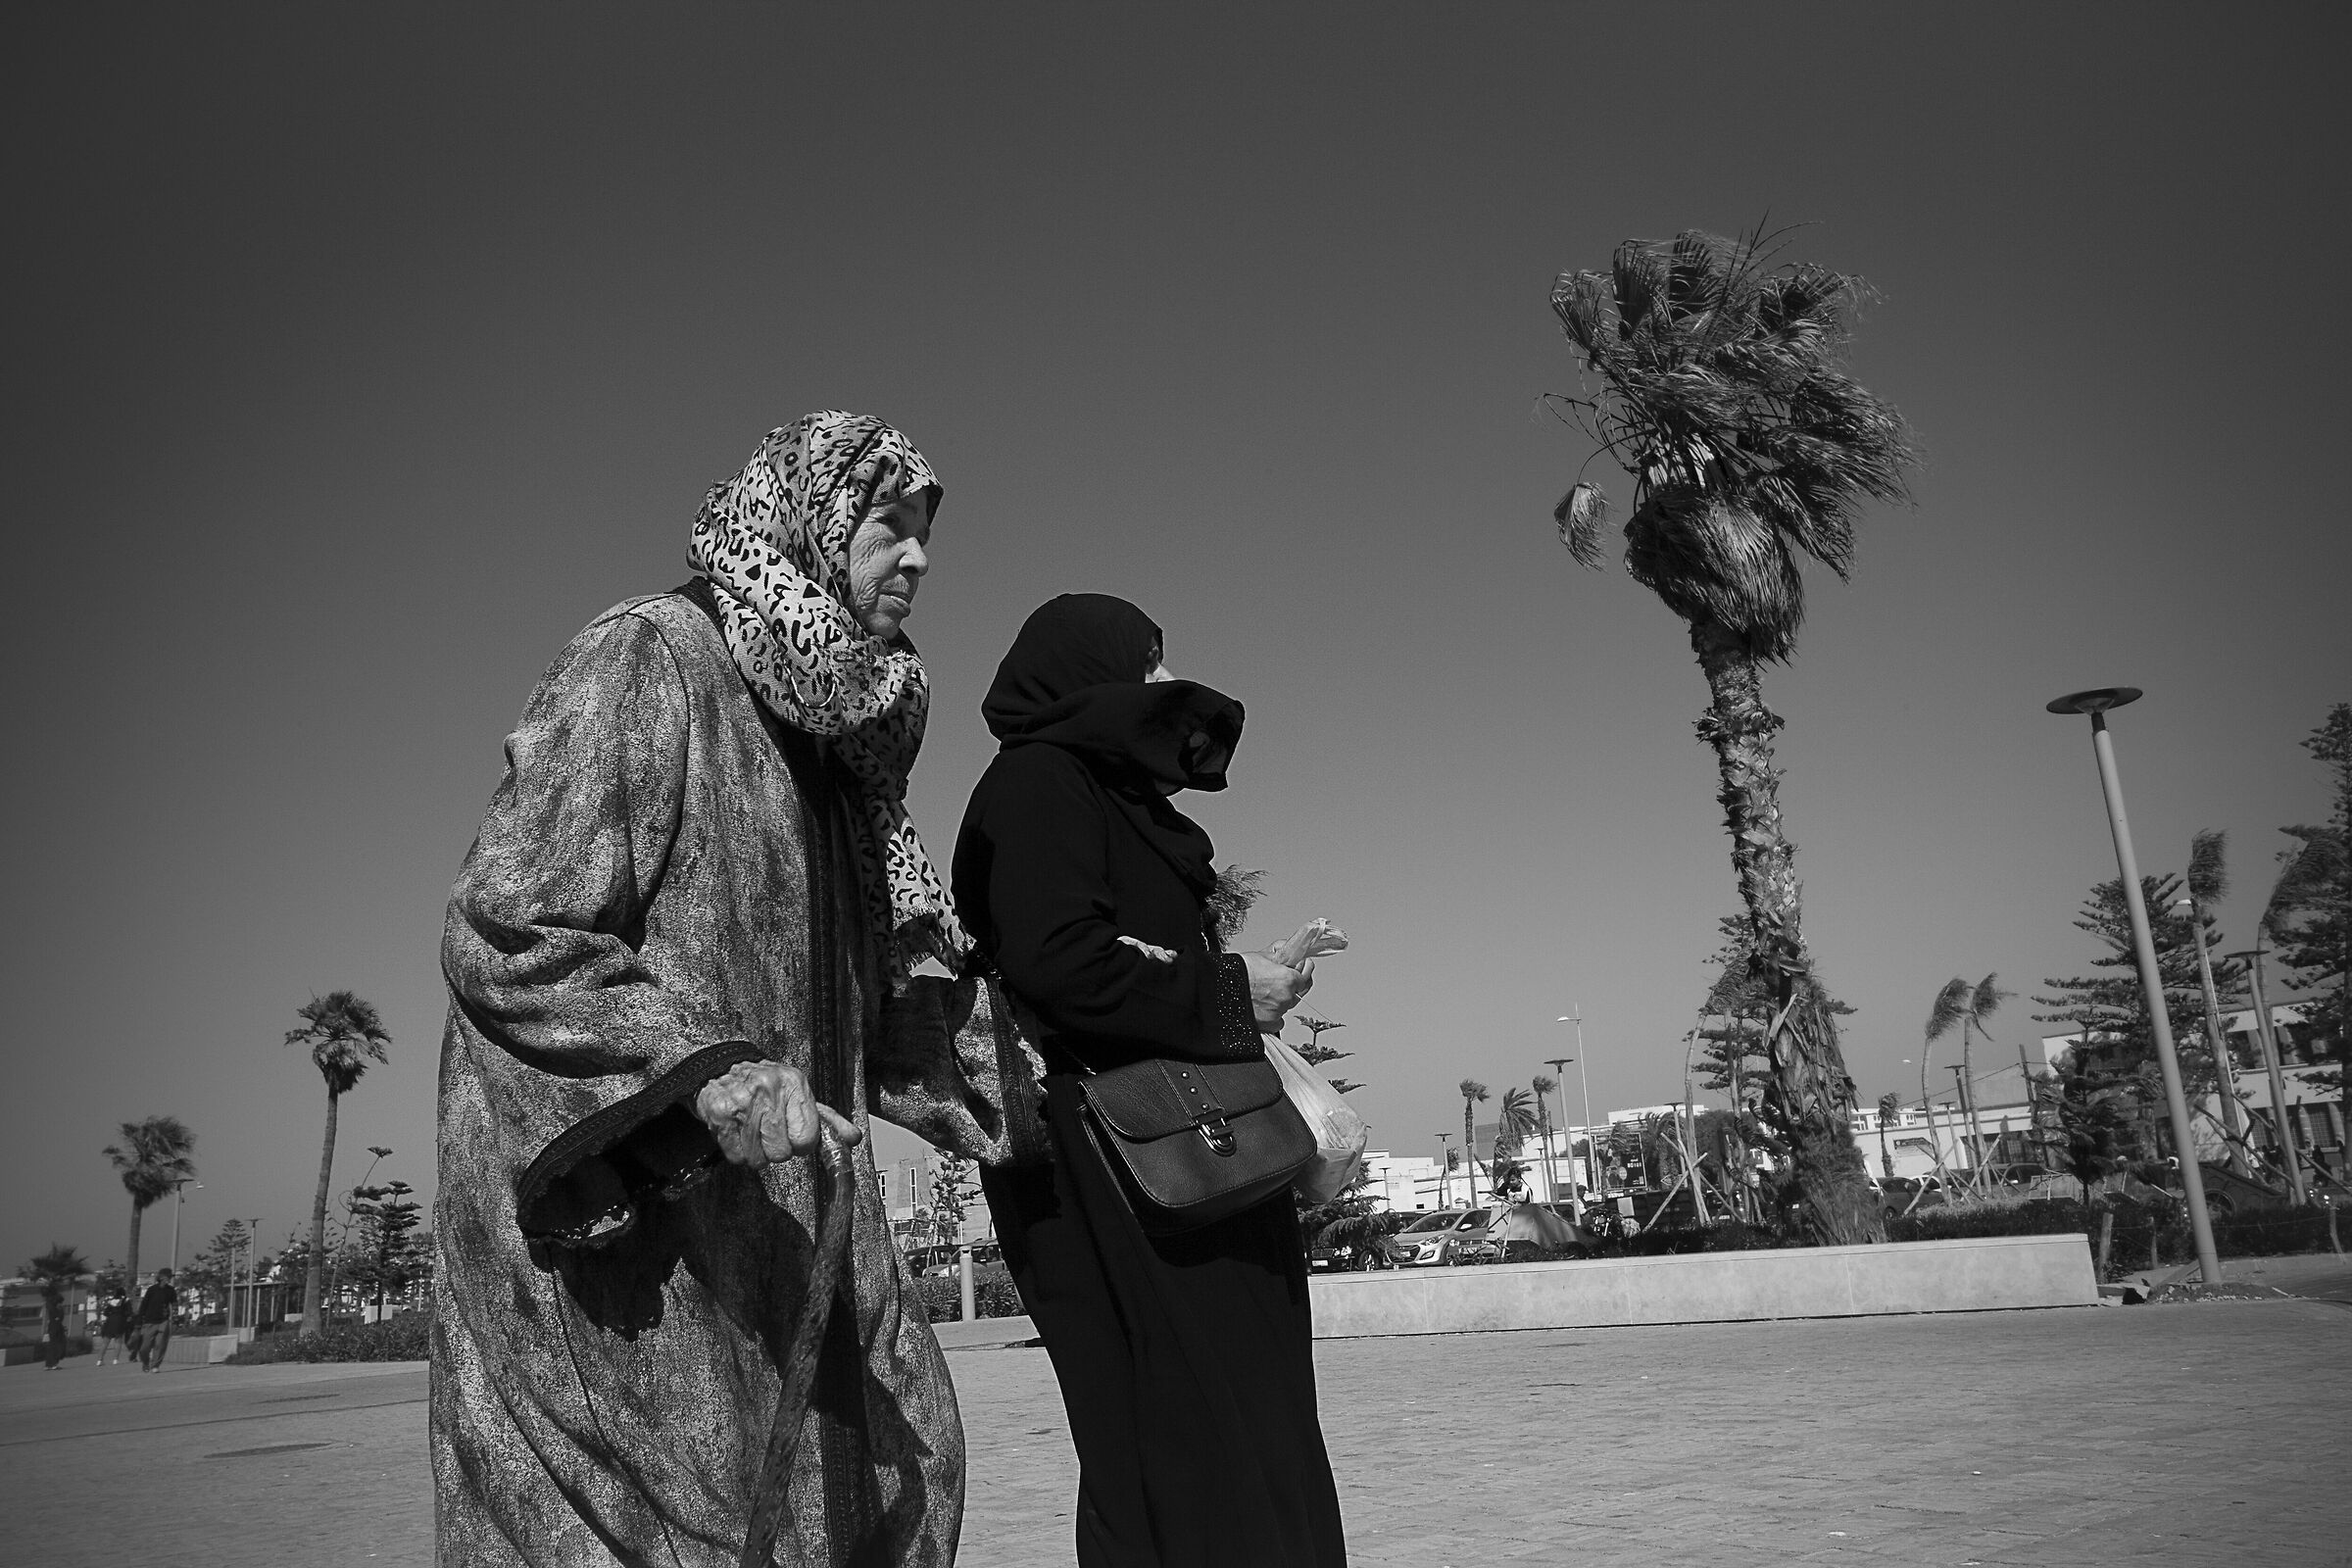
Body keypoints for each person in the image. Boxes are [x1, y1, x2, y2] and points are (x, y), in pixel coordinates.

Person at [434, 413, 1025, 1568]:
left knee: (905, 1470)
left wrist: (1071, 1077)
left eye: (925, 534)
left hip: (788, 1204)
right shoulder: (651, 656)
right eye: (888, 527)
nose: (918, 560)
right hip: (627, 1240)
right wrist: (704, 1074)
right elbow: (510, 921)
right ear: (809, 525)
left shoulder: (832, 746)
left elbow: (886, 1009)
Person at [956, 594, 1348, 1568]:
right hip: (1111, 1172)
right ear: (1084, 674)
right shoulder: (1037, 785)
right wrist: (1225, 989)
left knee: (1250, 1436)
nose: (1168, 686)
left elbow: (1130, 962)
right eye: (1148, 663)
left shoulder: (1117, 801)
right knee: (1172, 1444)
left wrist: (1254, 983)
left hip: (1196, 1165)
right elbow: (1061, 965)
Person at [135, 1269, 176, 1372]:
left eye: (171, 1277)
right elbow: (144, 1305)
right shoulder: (152, 1290)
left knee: (160, 1344)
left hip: (163, 1321)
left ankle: (155, 1365)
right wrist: (139, 1319)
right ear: (162, 1277)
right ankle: (145, 1362)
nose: (170, 1279)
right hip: (150, 1321)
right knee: (145, 1347)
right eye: (168, 1277)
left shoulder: (171, 1290)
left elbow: (174, 1303)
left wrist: (175, 1315)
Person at [95, 1291, 131, 1365]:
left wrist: (111, 1315)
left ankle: (99, 1360)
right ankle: (115, 1360)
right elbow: (129, 1312)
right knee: (118, 1341)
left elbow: (105, 1313)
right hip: (120, 1322)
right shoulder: (126, 1301)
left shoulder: (111, 1301)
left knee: (105, 1342)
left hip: (110, 1322)